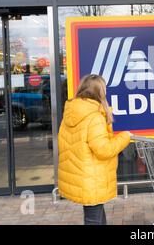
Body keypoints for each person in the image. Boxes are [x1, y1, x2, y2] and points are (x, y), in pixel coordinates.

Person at [58, 74, 131, 225]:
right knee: (93, 220)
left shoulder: (71, 112)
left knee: (95, 216)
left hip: (82, 176)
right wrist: (125, 137)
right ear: (100, 92)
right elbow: (103, 150)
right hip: (92, 177)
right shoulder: (94, 117)